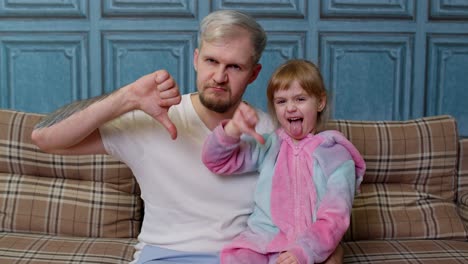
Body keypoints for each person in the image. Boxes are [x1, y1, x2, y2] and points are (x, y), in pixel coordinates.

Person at [31, 10, 344, 264]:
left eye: (234, 66)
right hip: (163, 257)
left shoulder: (274, 136)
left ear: (254, 73)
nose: (219, 77)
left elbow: (315, 217)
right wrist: (126, 98)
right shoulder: (151, 118)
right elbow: (45, 138)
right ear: (196, 58)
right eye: (211, 61)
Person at [202, 59, 366, 264]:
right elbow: (215, 161)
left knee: (332, 258)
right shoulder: (269, 145)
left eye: (300, 99)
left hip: (313, 245)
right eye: (281, 101)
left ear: (320, 102)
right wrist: (232, 130)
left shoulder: (336, 155)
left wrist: (305, 249)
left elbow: (335, 217)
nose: (290, 108)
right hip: (264, 242)